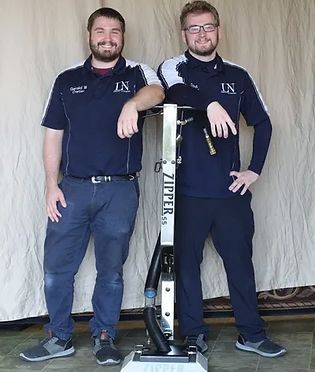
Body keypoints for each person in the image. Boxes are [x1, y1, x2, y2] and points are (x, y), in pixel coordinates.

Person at [20, 7, 164, 366]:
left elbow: (158, 92)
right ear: (89, 36)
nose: (107, 38)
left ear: (123, 37)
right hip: (72, 189)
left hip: (119, 191)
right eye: (100, 31)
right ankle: (60, 337)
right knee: (56, 269)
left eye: (115, 31)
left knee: (111, 271)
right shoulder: (67, 80)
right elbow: (53, 135)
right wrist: (51, 186)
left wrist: (133, 103)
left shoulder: (136, 74)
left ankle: (104, 336)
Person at [158, 0, 286, 358]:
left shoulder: (238, 75)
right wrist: (209, 104)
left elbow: (263, 123)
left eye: (208, 26)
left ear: (219, 29)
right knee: (186, 267)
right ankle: (194, 335)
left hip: (230, 192)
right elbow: (175, 92)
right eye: (194, 28)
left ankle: (251, 333)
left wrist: (254, 170)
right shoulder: (173, 66)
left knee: (241, 265)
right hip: (187, 192)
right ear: (184, 33)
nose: (202, 33)